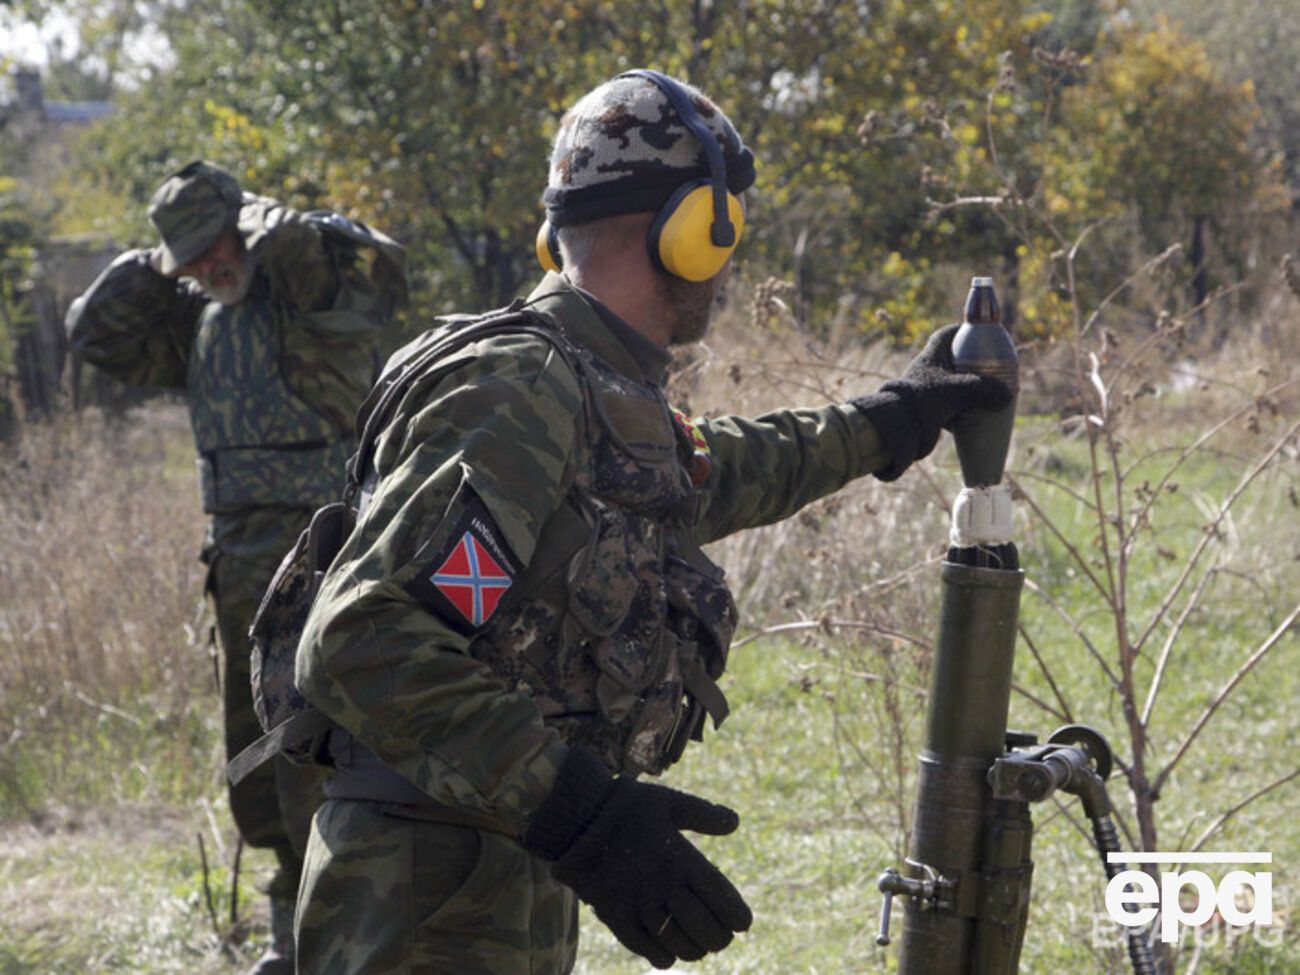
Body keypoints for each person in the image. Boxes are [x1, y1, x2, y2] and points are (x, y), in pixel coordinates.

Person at [292, 70, 1010, 974]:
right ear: (695, 230)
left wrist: (892, 419)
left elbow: (713, 473)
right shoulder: (519, 387)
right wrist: (581, 812)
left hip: (479, 870)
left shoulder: (591, 388)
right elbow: (361, 636)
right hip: (422, 899)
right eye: (730, 227)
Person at [65, 160, 408, 975]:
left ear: (243, 224)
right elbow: (93, 332)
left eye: (212, 246)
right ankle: (296, 938)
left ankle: (353, 941)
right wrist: (159, 260)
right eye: (187, 259)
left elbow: (318, 248)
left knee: (318, 745)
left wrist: (249, 220)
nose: (205, 267)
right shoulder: (199, 317)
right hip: (239, 564)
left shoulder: (303, 280)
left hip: (323, 548)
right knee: (256, 755)